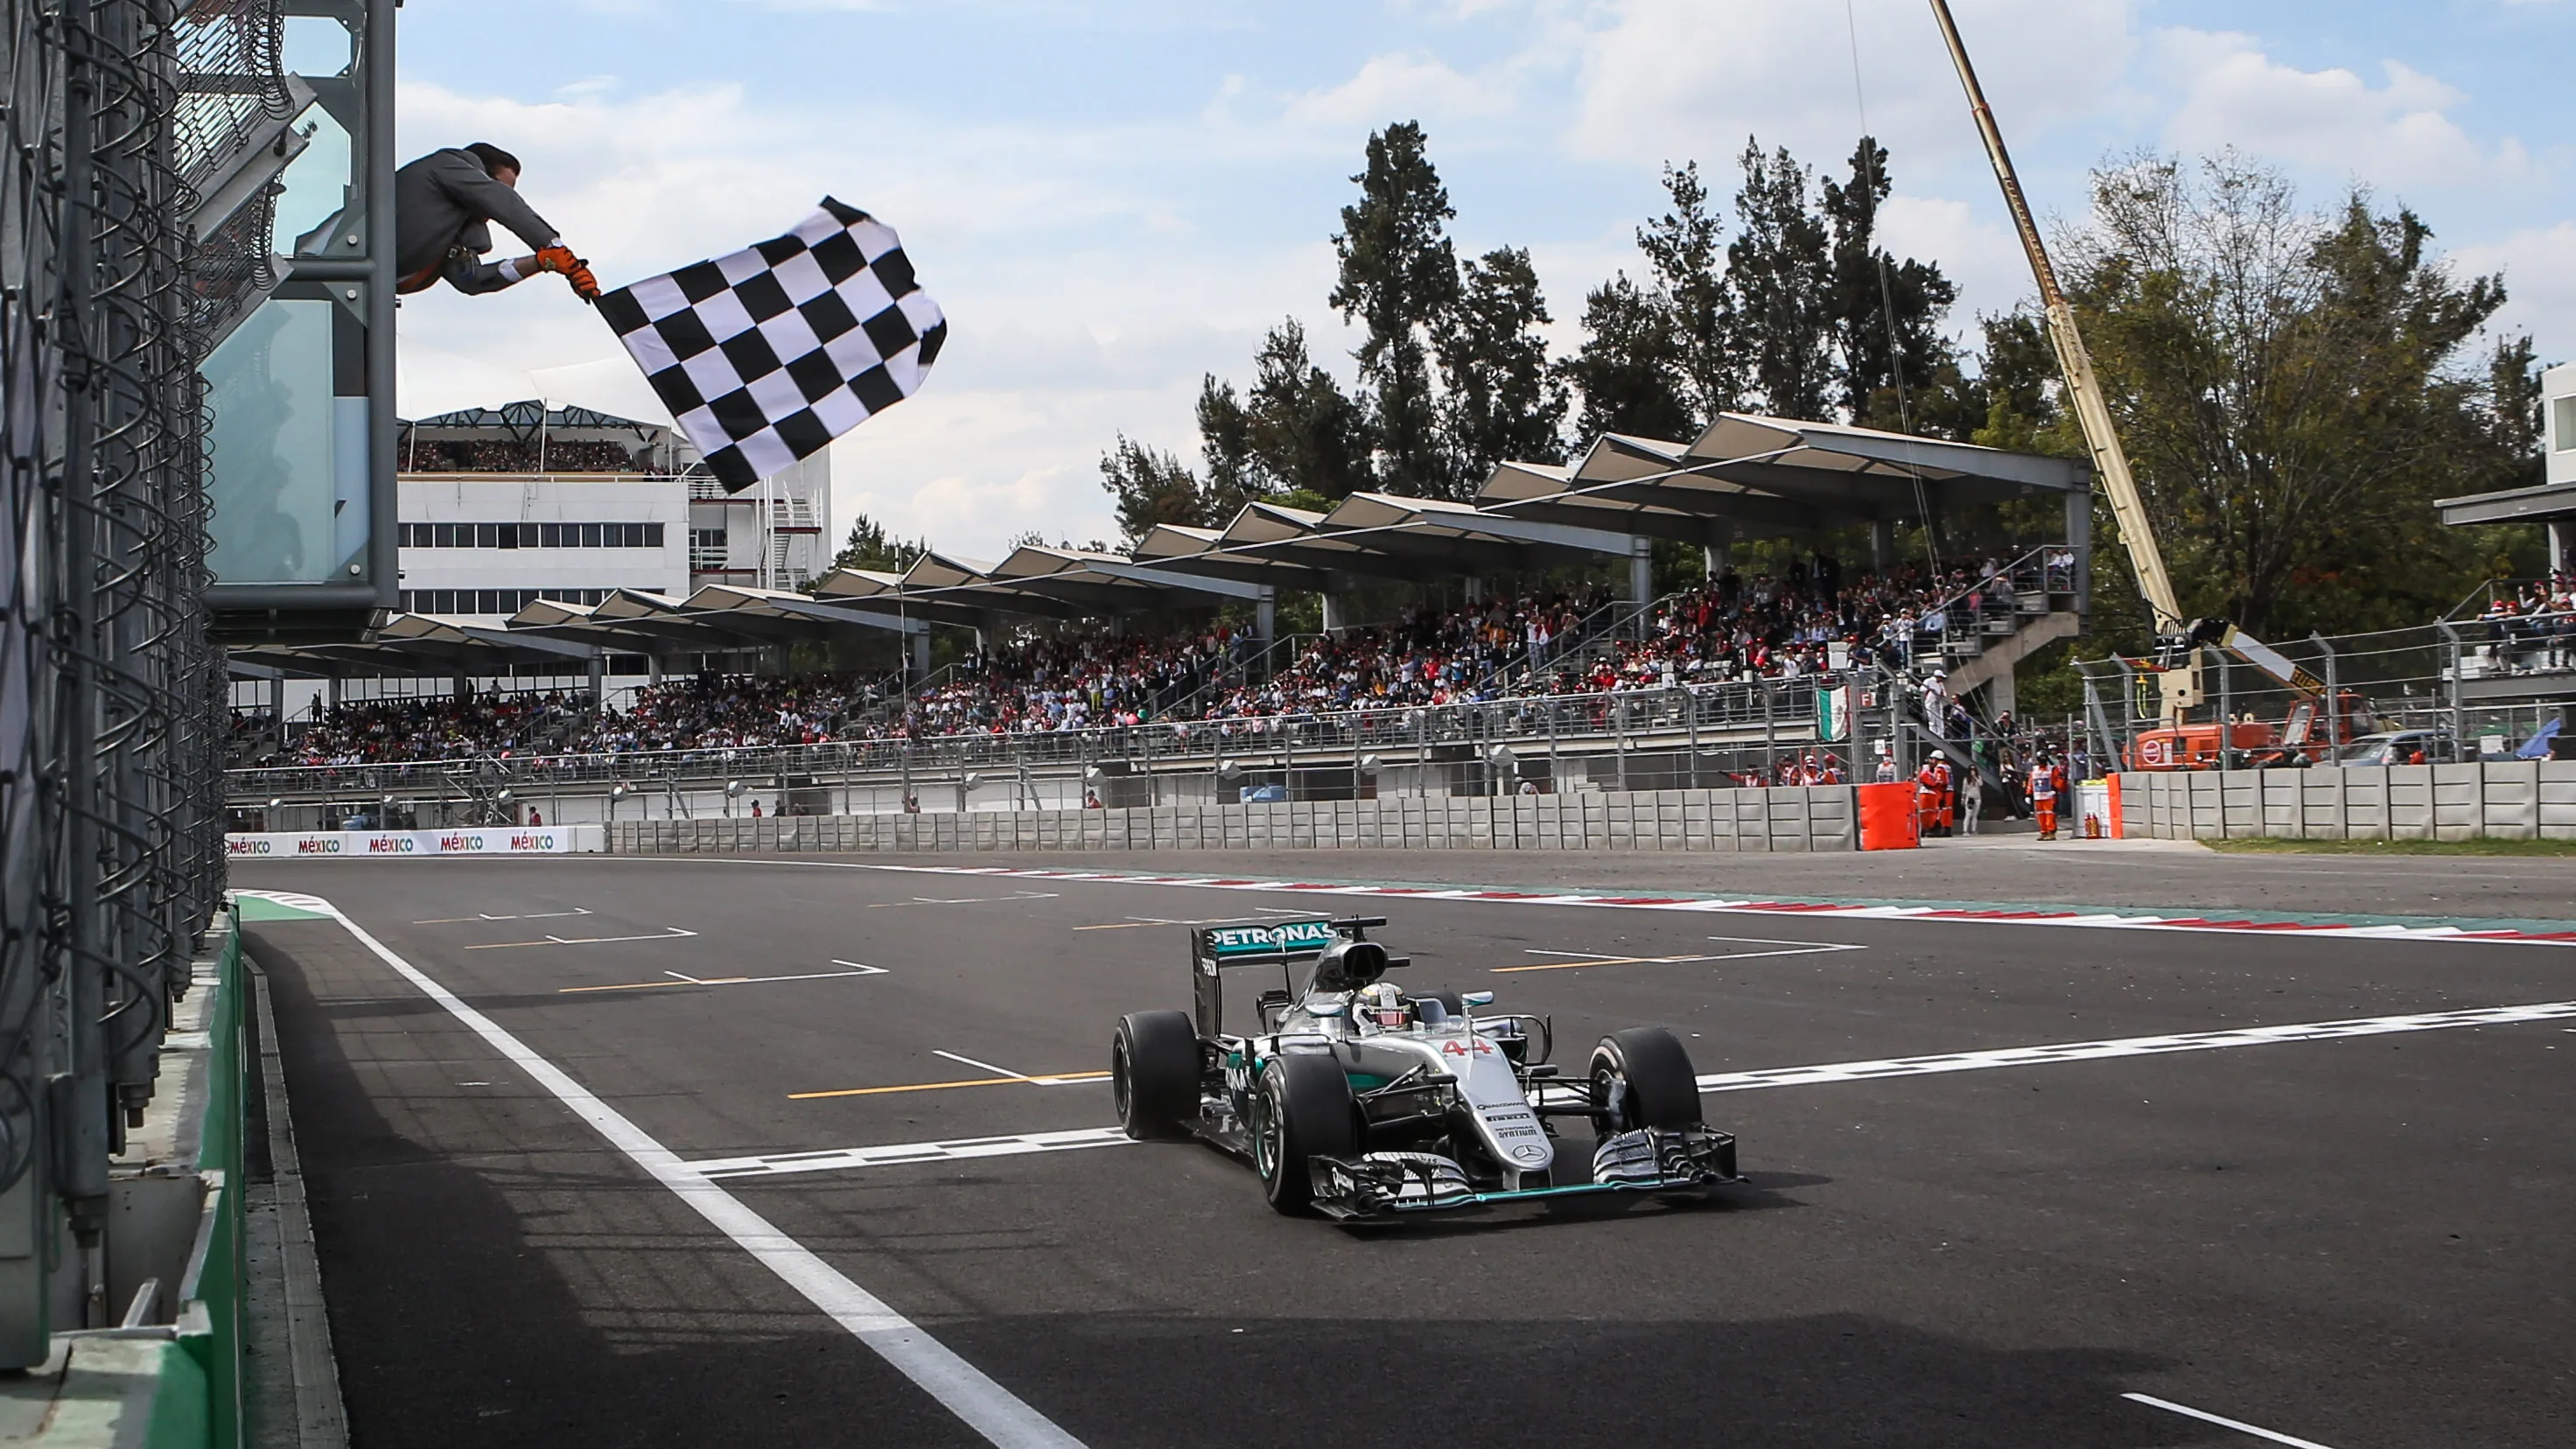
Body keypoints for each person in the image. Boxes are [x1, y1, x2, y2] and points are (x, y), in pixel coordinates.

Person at [395, 142, 598, 300]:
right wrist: (556, 247)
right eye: (499, 187)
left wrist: (542, 262)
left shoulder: (451, 229)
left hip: (373, 294)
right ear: (478, 176)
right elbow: (503, 202)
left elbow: (472, 280)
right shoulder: (447, 164)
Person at [2034, 755, 2063, 840]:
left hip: (2049, 796)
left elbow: (2060, 778)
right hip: (2038, 796)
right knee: (2040, 815)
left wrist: (2056, 788)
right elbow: (2031, 781)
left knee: (2050, 814)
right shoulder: (2035, 769)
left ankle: (2051, 832)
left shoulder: (2052, 769)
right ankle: (2044, 832)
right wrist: (2028, 793)